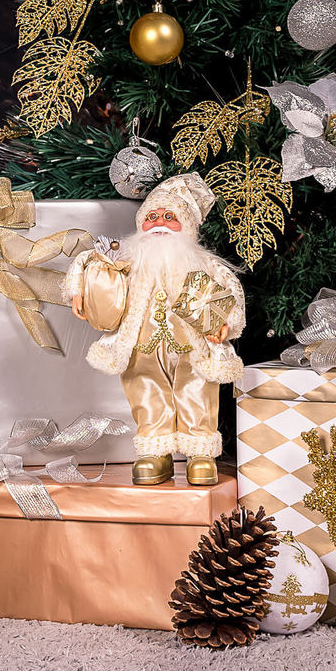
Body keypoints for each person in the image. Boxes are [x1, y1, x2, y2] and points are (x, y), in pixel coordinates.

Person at [62, 173, 245, 486]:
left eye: (170, 217)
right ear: (140, 224)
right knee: (146, 392)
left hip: (192, 345)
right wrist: (79, 288)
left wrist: (227, 322)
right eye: (152, 216)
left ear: (187, 226)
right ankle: (154, 451)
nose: (159, 222)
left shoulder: (201, 263)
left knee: (197, 390)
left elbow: (230, 289)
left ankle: (200, 452)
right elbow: (89, 260)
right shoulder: (129, 257)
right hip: (141, 346)